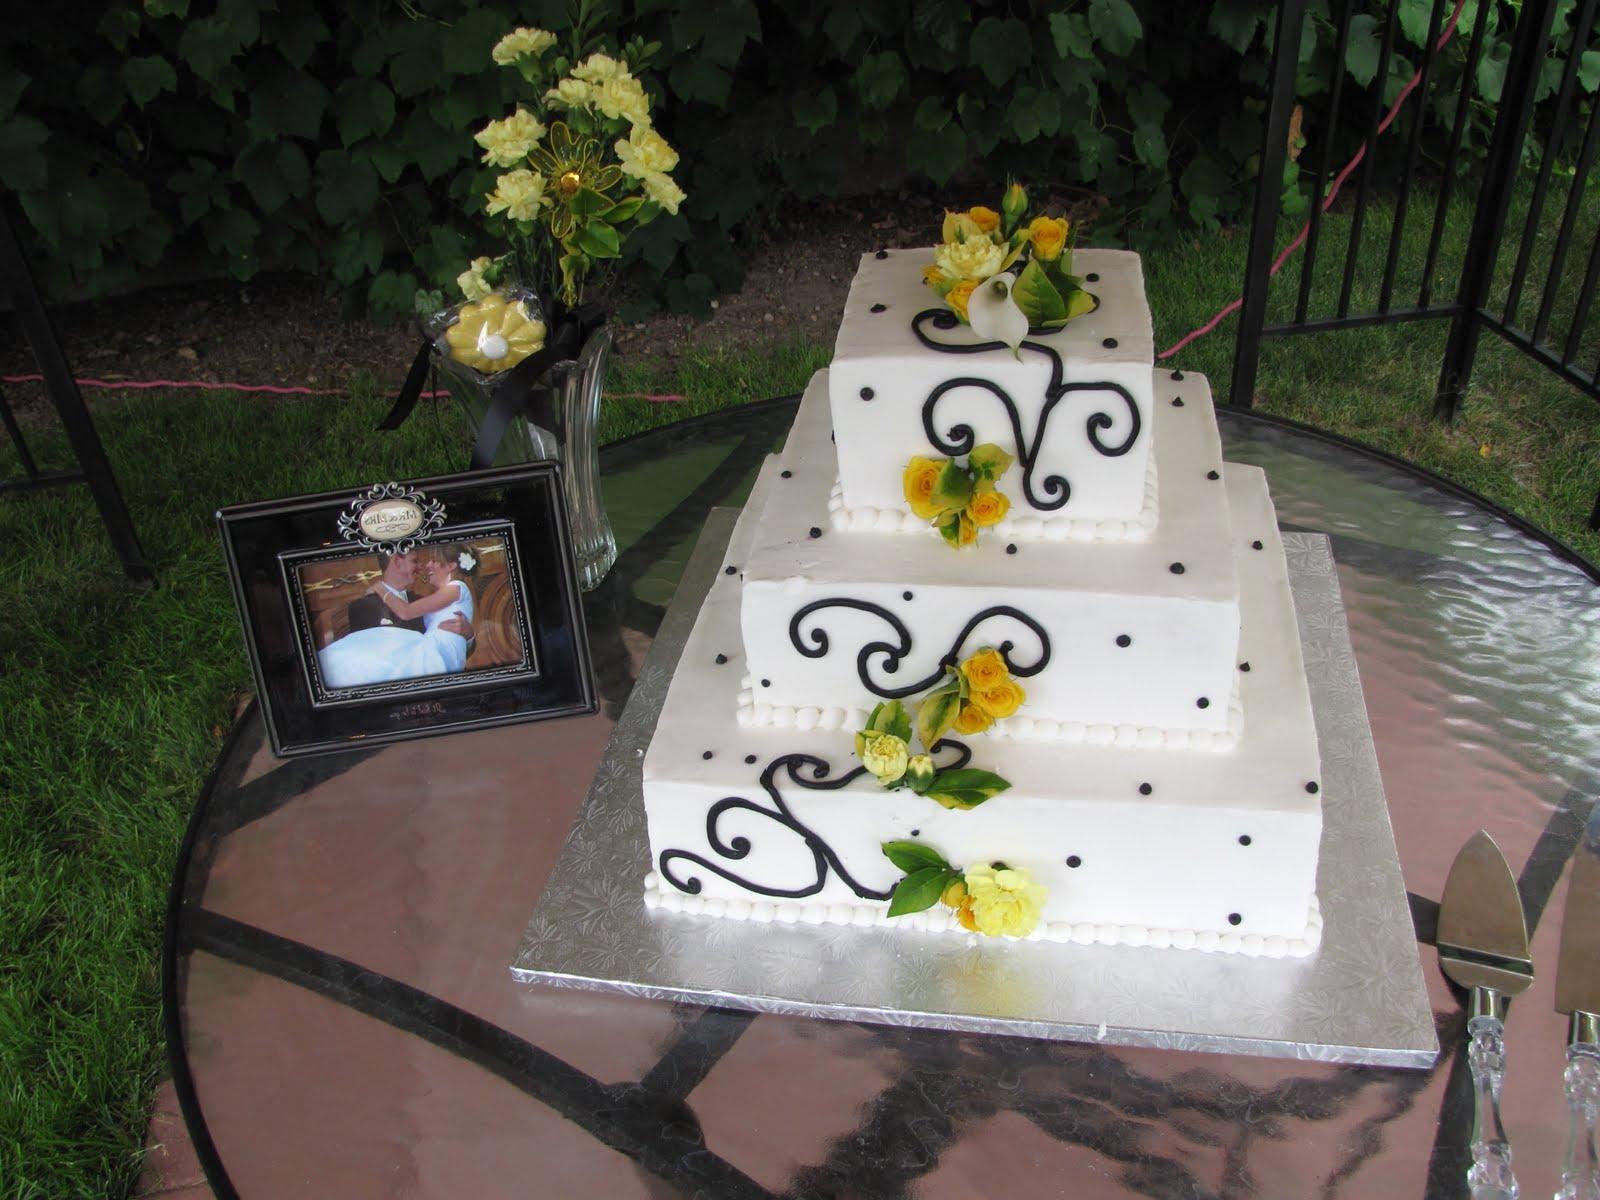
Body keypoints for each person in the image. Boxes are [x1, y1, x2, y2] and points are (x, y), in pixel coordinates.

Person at [316, 547, 476, 689]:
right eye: (415, 561)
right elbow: (363, 665)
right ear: (398, 562)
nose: (421, 566)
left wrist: (469, 635)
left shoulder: (421, 602)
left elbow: (447, 652)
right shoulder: (362, 606)